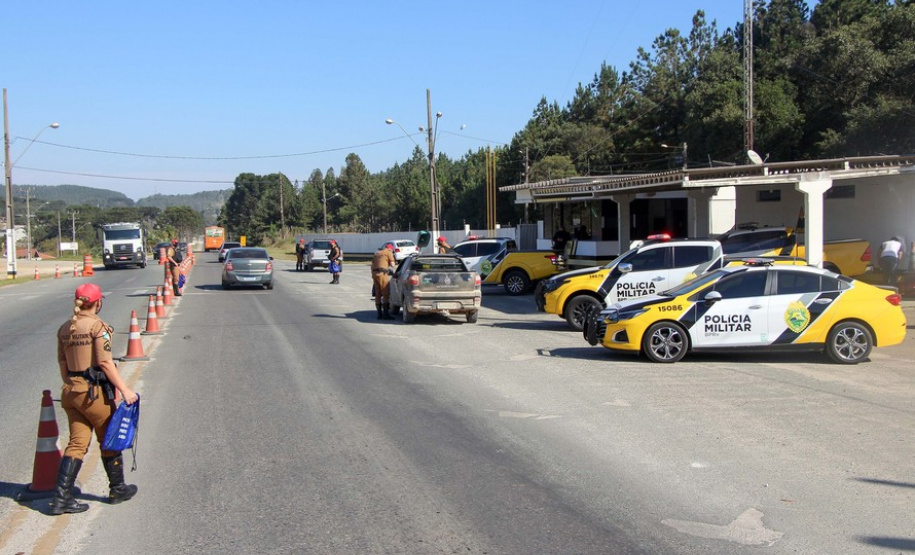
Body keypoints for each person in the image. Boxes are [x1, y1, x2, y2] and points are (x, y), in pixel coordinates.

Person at [52, 283, 139, 515]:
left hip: (71, 392)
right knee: (108, 438)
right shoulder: (98, 327)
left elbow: (62, 364)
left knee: (77, 443)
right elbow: (105, 362)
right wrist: (126, 390)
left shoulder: (64, 328)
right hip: (93, 394)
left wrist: (73, 385)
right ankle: (118, 488)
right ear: (98, 302)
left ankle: (61, 498)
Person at [372, 243, 397, 319]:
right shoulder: (388, 253)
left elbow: (372, 264)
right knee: (385, 293)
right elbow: (393, 265)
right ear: (391, 249)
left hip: (374, 274)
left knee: (378, 293)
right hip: (382, 274)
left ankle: (379, 314)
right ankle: (386, 314)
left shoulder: (377, 253)